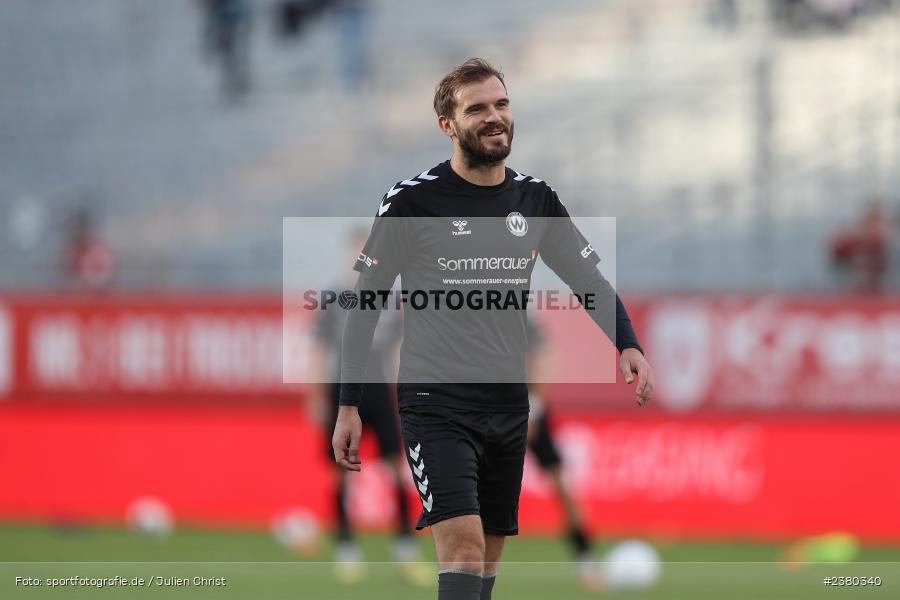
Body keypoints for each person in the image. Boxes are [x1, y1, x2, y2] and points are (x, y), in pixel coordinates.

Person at [332, 58, 654, 600]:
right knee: (463, 552)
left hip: (508, 404)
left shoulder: (536, 199)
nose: (494, 116)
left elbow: (586, 278)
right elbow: (365, 304)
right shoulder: (412, 200)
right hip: (436, 403)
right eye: (476, 108)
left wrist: (627, 342)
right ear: (448, 124)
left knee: (485, 569)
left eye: (501, 104)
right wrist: (348, 405)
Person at [306, 229, 430, 585]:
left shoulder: (390, 299)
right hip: (341, 391)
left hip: (379, 391)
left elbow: (396, 351)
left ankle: (405, 551)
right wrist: (314, 395)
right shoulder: (332, 298)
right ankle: (347, 550)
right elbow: (319, 351)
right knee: (340, 471)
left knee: (397, 468)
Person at [524, 319, 605, 591]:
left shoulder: (517, 306)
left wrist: (533, 408)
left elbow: (547, 355)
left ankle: (586, 562)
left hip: (525, 406)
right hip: (486, 405)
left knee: (562, 487)